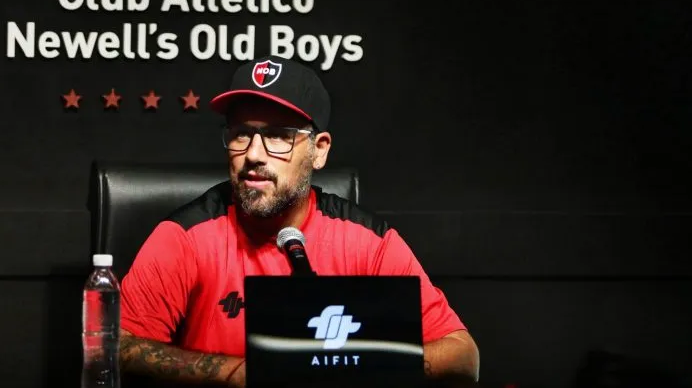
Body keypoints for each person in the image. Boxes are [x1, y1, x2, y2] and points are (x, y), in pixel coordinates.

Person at [118, 57, 480, 386]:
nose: (254, 155)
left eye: (279, 136)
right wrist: (241, 373)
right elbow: (115, 348)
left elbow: (463, 356)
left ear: (319, 150)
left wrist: (353, 367)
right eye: (241, 133)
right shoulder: (185, 236)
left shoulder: (368, 242)